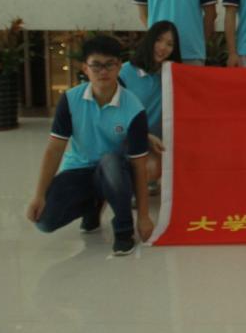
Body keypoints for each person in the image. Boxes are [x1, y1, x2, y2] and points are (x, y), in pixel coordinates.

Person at [26, 35, 154, 256]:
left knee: (110, 162)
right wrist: (39, 195)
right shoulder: (70, 100)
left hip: (114, 172)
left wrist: (143, 216)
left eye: (110, 64)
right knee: (45, 221)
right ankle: (93, 205)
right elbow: (55, 149)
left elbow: (139, 165)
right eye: (96, 65)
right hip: (79, 168)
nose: (103, 71)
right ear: (85, 68)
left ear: (119, 67)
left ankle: (124, 231)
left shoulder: (134, 108)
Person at [119, 21, 180, 189]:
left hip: (157, 142)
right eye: (158, 40)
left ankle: (147, 180)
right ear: (149, 40)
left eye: (170, 44)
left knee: (153, 168)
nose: (163, 47)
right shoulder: (125, 72)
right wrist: (144, 135)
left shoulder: (172, 75)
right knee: (146, 168)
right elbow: (115, 115)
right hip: (127, 138)